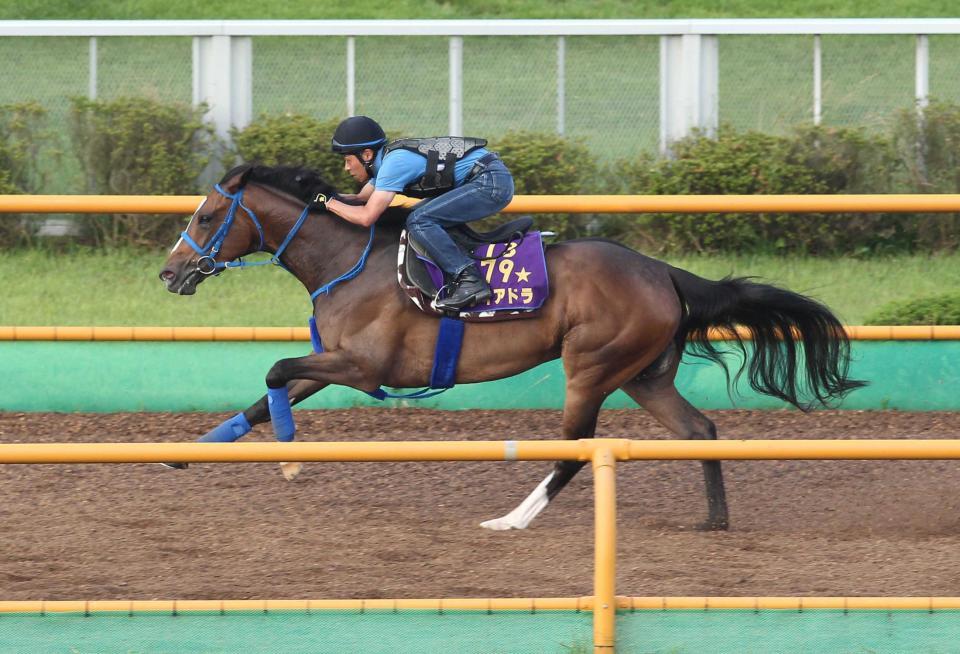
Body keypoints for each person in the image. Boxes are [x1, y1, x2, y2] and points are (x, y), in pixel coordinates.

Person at [324, 115, 514, 311]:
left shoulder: (394, 164)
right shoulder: (386, 162)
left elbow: (366, 216)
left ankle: (469, 279)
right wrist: (325, 197)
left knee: (419, 220)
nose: (346, 168)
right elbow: (360, 198)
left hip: (490, 182)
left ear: (366, 155)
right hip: (485, 178)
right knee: (416, 216)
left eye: (347, 160)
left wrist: (327, 203)